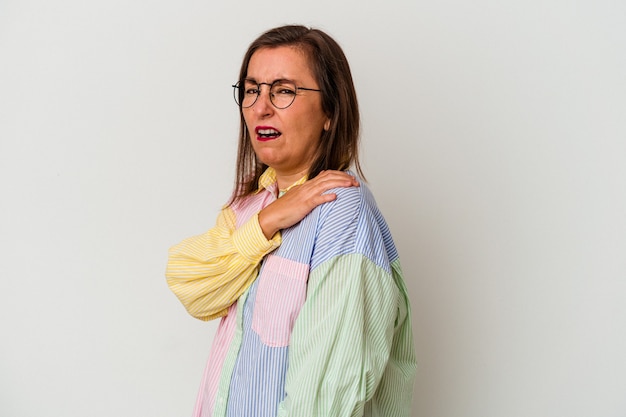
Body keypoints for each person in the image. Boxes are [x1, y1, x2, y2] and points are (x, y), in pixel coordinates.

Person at [166, 24, 416, 417]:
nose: (261, 107)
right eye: (252, 90)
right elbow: (188, 284)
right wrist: (268, 221)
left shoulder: (341, 212)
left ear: (330, 112)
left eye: (284, 91)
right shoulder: (252, 208)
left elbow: (325, 399)